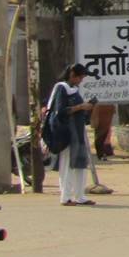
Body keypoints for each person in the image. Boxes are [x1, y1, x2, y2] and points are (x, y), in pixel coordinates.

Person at [48, 64, 96, 206]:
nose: (81, 80)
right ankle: (66, 197)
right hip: (67, 133)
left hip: (78, 131)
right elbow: (61, 112)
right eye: (80, 77)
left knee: (80, 163)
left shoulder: (74, 90)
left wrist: (86, 108)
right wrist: (81, 107)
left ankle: (80, 196)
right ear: (73, 75)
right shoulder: (62, 88)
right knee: (67, 165)